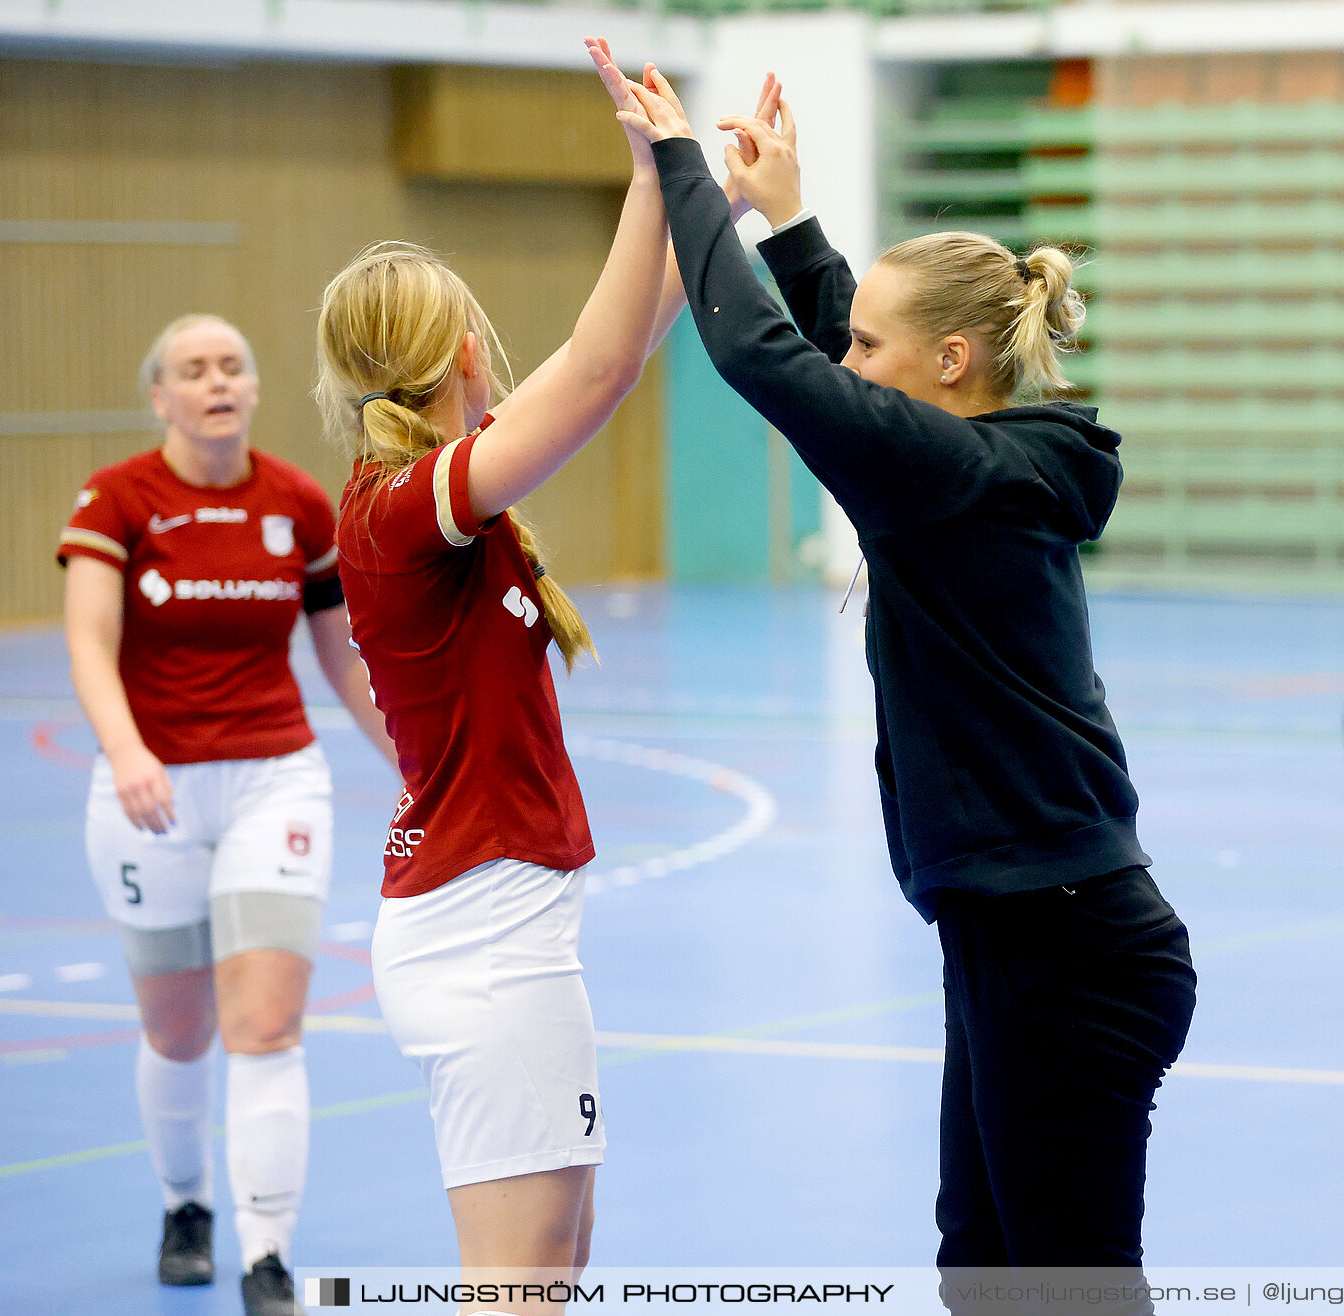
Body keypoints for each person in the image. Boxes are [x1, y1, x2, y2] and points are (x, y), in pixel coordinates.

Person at [610, 66, 1197, 1274]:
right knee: (981, 1265)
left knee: (1064, 1288)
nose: (850, 358)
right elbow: (840, 352)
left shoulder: (956, 476)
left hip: (1069, 949)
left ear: (952, 361)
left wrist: (684, 173)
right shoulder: (970, 457)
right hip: (1023, 933)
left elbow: (770, 359)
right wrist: (790, 214)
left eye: (874, 345)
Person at [315, 42, 776, 1314]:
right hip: (479, 929)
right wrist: (652, 175)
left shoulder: (434, 495)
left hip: (507, 924)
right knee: (516, 1285)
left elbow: (633, 336)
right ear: (462, 342)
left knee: (554, 1272)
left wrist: (707, 200)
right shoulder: (402, 507)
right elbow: (601, 365)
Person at [58, 313, 398, 1316]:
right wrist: (127, 751)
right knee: (177, 1030)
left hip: (273, 780)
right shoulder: (116, 499)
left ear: (254, 389)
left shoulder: (296, 501)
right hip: (150, 790)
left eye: (233, 367)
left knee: (264, 1025)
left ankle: (267, 1253)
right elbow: (87, 638)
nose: (216, 381)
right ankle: (184, 1205)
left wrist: (415, 759)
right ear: (159, 395)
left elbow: (342, 654)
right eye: (192, 370)